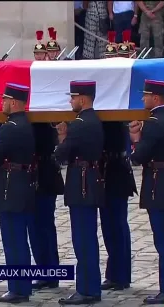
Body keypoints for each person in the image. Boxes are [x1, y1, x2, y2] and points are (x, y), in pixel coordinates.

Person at [129, 80, 164, 305]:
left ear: (157, 98)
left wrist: (134, 141)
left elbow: (139, 156)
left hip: (158, 183)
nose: (143, 99)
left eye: (146, 95)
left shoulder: (153, 122)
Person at [0, 83, 35, 303]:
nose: (1, 103)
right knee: (18, 238)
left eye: (4, 99)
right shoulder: (22, 124)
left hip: (11, 186)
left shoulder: (12, 126)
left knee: (13, 240)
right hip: (20, 183)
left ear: (13, 102)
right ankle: (21, 286)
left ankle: (18, 289)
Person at [55, 80, 104, 305]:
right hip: (91, 181)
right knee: (87, 238)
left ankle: (86, 290)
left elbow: (62, 154)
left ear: (82, 99)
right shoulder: (94, 120)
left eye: (73, 97)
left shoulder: (80, 123)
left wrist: (62, 136)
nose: (70, 101)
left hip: (81, 183)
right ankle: (90, 287)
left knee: (82, 239)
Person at [100, 119, 136, 291]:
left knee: (116, 225)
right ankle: (115, 273)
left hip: (116, 171)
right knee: (111, 227)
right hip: (108, 169)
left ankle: (120, 275)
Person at [29, 123, 64, 290]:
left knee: (41, 225)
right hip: (39, 171)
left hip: (43, 173)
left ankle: (48, 272)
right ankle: (46, 270)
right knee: (38, 227)